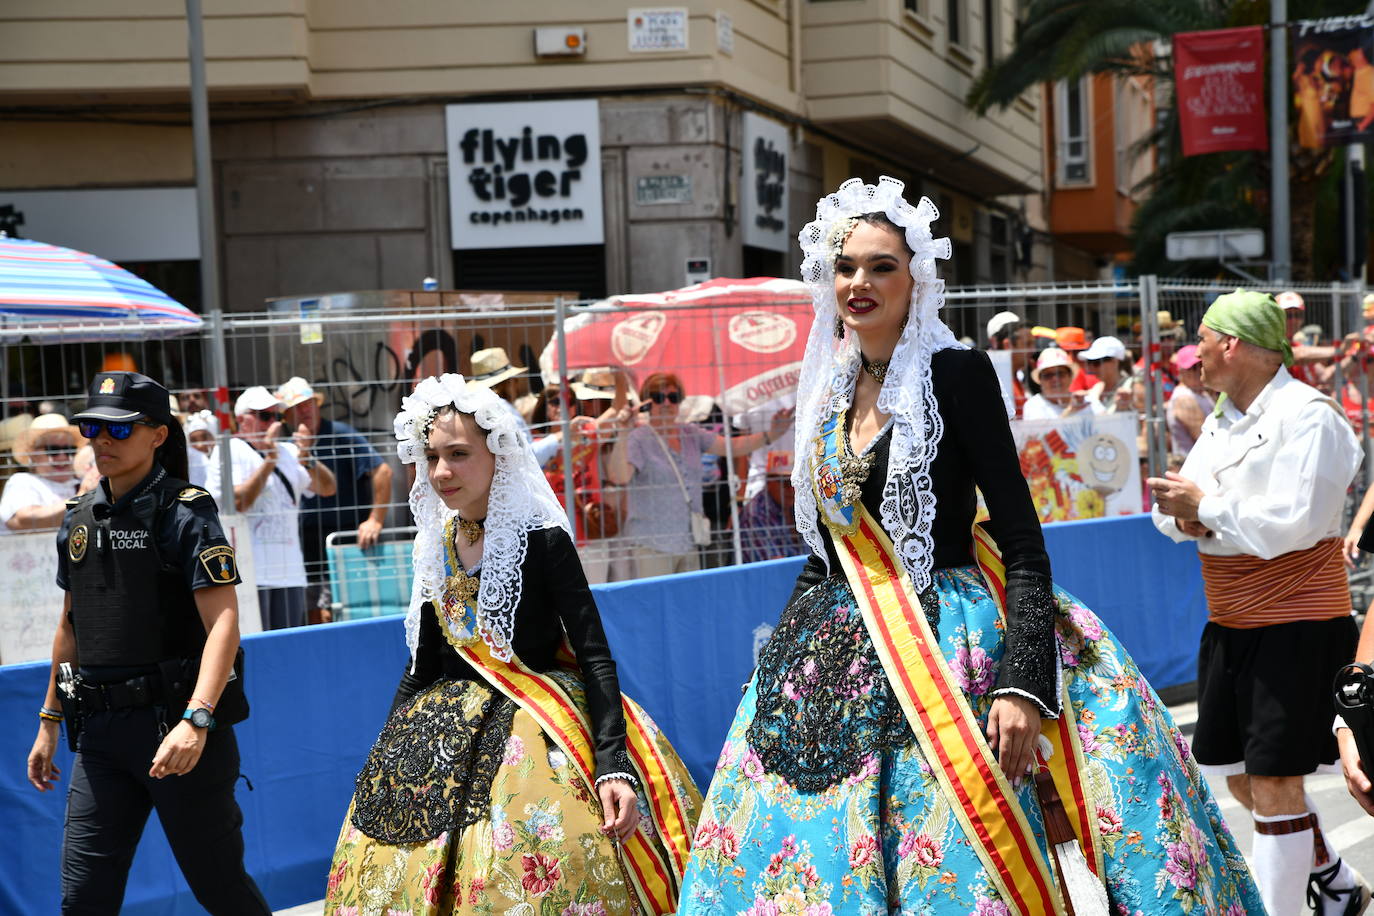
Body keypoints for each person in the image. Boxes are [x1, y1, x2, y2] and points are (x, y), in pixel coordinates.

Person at [676, 178, 1262, 915]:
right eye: (847, 265)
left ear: (915, 277)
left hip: (953, 645)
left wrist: (1023, 684)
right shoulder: (825, 390)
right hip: (837, 649)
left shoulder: (955, 373)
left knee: (955, 859)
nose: (861, 282)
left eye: (882, 265)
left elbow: (1021, 539)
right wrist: (774, 670)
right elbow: (827, 553)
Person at [322, 374, 700, 914]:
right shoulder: (438, 543)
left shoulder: (542, 539)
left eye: (458, 454)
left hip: (538, 731)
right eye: (431, 457)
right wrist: (385, 754)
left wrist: (612, 762)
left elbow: (593, 651)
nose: (442, 473)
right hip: (442, 734)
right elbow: (423, 666)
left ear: (497, 453)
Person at [1148, 288, 1368, 915]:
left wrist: (1203, 510)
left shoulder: (1311, 415)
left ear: (1235, 345)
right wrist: (1184, 517)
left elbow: (1295, 524)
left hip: (1295, 621)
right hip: (1233, 623)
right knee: (1240, 775)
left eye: (1205, 344)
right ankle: (1336, 880)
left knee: (1273, 782)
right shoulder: (1222, 415)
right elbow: (1186, 501)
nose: (1195, 360)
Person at [25, 370, 269, 915]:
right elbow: (70, 626)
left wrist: (197, 720)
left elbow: (224, 621)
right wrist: (49, 722)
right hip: (100, 737)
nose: (100, 441)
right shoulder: (78, 518)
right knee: (83, 897)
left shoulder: (185, 510)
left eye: (119, 430)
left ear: (158, 434)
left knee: (220, 888)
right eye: (91, 428)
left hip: (176, 729)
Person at [605, 372, 792, 578]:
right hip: (652, 544)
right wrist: (623, 431)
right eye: (658, 397)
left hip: (688, 542)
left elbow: (732, 446)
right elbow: (619, 477)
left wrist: (771, 435)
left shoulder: (690, 433)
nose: (666, 403)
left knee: (686, 606)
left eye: (673, 397)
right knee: (655, 607)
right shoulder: (637, 438)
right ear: (647, 402)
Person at [205, 386, 336, 630]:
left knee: (286, 647)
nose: (272, 423)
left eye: (275, 416)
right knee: (255, 647)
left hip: (290, 572)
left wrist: (307, 456)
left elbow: (328, 488)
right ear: (242, 420)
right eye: (264, 416)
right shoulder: (230, 450)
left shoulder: (289, 451)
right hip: (249, 574)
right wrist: (270, 461)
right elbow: (239, 503)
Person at [276, 377, 393, 621]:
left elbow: (382, 471)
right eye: (297, 407)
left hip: (344, 536)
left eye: (308, 403)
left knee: (337, 611)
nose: (305, 410)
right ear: (286, 417)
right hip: (303, 541)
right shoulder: (287, 449)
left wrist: (375, 520)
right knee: (310, 612)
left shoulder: (341, 435)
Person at [1, 413, 86, 533]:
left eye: (69, 450)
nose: (62, 457)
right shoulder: (23, 482)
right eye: (53, 450)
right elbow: (25, 521)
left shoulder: (83, 482)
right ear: (33, 454)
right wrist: (82, 497)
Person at [1021, 347, 1102, 420]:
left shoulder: (1086, 401)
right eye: (1048, 375)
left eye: (1060, 373)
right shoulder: (1033, 406)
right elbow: (1042, 435)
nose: (1055, 379)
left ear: (1070, 376)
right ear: (1040, 380)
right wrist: (1069, 412)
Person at [1165, 345, 1214, 456]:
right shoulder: (1184, 399)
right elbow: (1205, 438)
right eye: (1193, 368)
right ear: (1180, 371)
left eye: (1201, 365)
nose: (1199, 371)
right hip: (1193, 467)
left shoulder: (1200, 393)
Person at [1079, 335, 1135, 413]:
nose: (1091, 367)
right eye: (1089, 362)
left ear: (1114, 361)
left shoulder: (1133, 386)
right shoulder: (1096, 389)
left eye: (1097, 362)